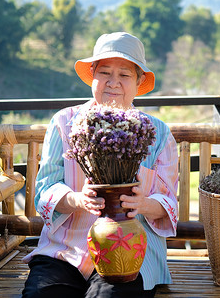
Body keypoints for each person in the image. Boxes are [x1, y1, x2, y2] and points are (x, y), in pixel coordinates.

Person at [22, 32, 179, 298]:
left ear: (140, 81)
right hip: (65, 252)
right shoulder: (65, 123)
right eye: (105, 72)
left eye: (125, 75)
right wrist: (77, 199)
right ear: (92, 74)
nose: (113, 83)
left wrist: (141, 204)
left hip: (130, 250)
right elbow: (45, 191)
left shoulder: (158, 133)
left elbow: (169, 203)